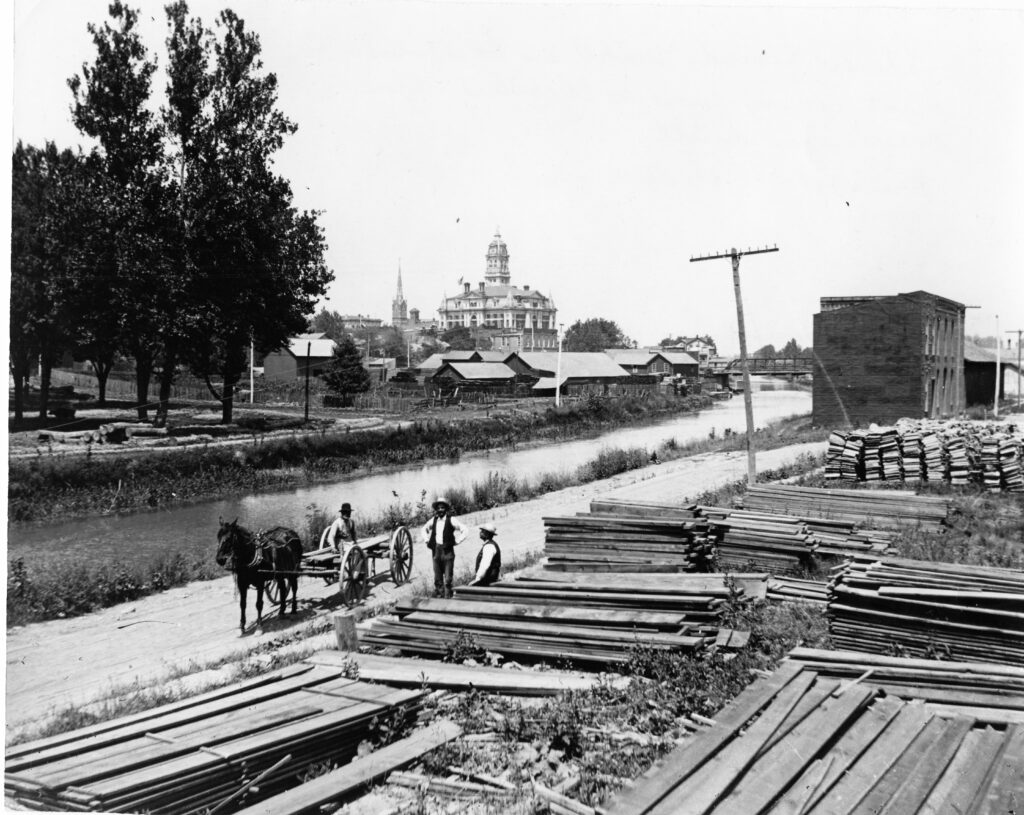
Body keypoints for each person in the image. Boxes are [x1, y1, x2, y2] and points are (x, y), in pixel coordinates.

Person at [421, 496, 467, 598]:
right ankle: (440, 599)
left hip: (448, 553)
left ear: (446, 509)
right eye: (438, 508)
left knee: (448, 579)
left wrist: (457, 541)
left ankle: (448, 599)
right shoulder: (434, 520)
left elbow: (464, 530)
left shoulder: (452, 520)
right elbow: (424, 529)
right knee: (438, 579)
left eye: (442, 507)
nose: (440, 510)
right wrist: (427, 540)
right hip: (436, 552)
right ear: (436, 509)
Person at [469, 522, 502, 587]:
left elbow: (485, 565)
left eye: (482, 531)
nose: (480, 532)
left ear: (487, 534)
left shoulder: (489, 546)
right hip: (489, 579)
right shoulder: (490, 545)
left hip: (487, 580)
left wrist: (477, 579)